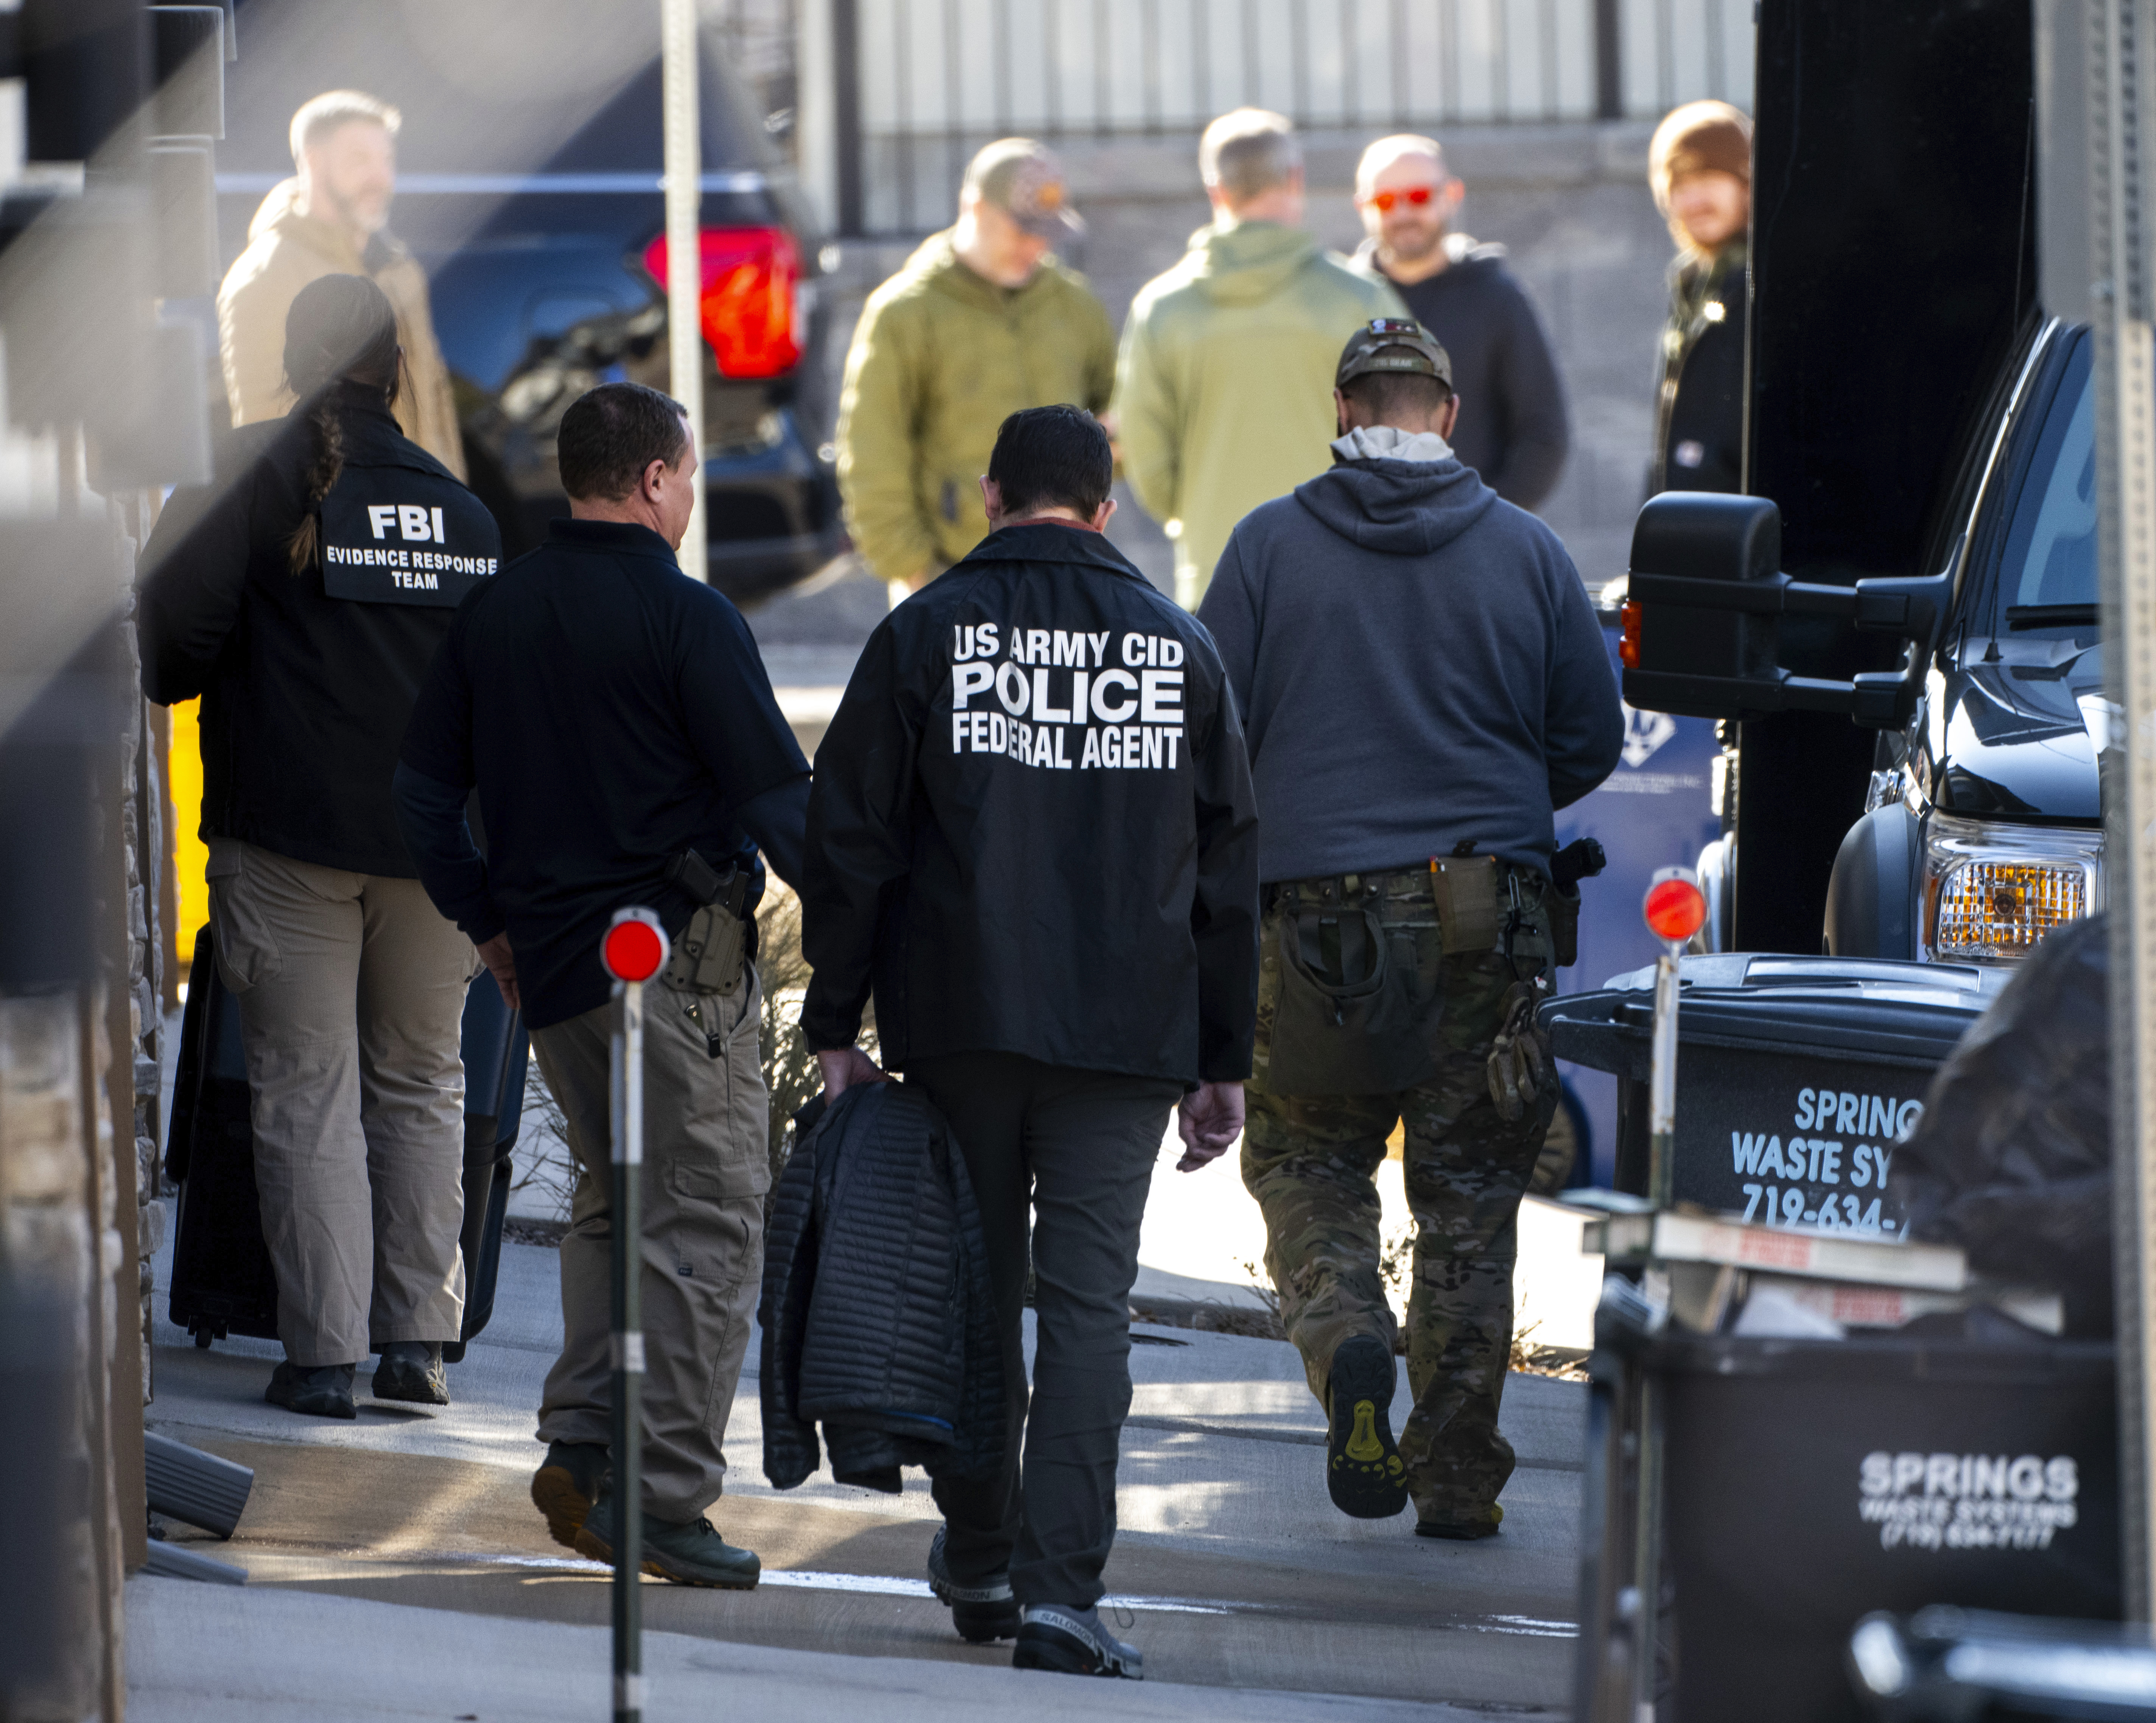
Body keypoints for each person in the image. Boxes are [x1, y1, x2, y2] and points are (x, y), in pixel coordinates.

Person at [797, 405, 1259, 1678]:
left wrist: (833, 1020)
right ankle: (1062, 1593)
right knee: (1088, 1309)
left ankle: (983, 1547)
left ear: (991, 497)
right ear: (1107, 509)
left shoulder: (923, 633)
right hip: (1126, 1036)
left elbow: (851, 841)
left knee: (974, 1293)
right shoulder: (1181, 650)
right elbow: (1228, 873)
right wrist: (1226, 1059)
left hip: (961, 1022)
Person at [1197, 318, 1624, 1544]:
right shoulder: (1528, 550)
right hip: (1488, 917)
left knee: (1306, 1158)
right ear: (1442, 413)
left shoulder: (1268, 545)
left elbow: (1204, 724)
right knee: (1470, 1196)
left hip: (1320, 923)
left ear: (1343, 411)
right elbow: (1585, 737)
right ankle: (1451, 1479)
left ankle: (1348, 1350)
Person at [392, 382, 811, 1591]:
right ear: (653, 480)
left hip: (561, 975)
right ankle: (665, 1497)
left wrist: (489, 923)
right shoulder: (689, 618)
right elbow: (784, 808)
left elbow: (423, 795)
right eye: (686, 473)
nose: (690, 493)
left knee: (613, 1205)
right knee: (710, 1221)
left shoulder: (498, 610)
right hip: (678, 970)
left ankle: (581, 1442)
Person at [139, 274, 502, 1419]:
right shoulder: (463, 507)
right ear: (397, 372)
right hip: (434, 849)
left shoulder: (244, 474)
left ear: (293, 362)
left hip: (288, 835)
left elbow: (171, 649)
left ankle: (324, 1355)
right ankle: (417, 1342)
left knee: (307, 1088)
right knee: (423, 1081)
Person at [1116, 108, 1405, 606]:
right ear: (1296, 179)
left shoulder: (1162, 308)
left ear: (1216, 190)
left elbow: (1144, 451)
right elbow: (1407, 430)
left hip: (1216, 569)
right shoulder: (1362, 300)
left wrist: (1193, 511)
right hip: (1342, 570)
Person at [835, 139, 1118, 598]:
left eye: (1046, 231)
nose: (1036, 245)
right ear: (974, 207)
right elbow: (872, 453)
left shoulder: (1076, 305)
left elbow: (1113, 409)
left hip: (1065, 579)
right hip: (951, 576)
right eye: (1022, 229)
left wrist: (1114, 441)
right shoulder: (905, 311)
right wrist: (915, 572)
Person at [219, 89, 463, 478]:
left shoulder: (399, 270)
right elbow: (265, 436)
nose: (381, 178)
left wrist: (451, 497)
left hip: (423, 517)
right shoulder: (267, 275)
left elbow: (436, 406)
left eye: (387, 160)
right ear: (314, 162)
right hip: (346, 528)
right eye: (360, 160)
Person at [1345, 134, 1572, 509]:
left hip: (1471, 544)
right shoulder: (1342, 303)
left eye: (1418, 196)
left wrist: (1485, 523)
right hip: (1360, 544)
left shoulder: (1496, 297)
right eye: (1385, 200)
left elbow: (1543, 434)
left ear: (1451, 194)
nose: (1403, 214)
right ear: (1361, 206)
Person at [1647, 100, 1753, 495]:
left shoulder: (1763, 287)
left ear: (1747, 183)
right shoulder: (1691, 284)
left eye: (1709, 179)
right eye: (1680, 186)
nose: (1694, 201)